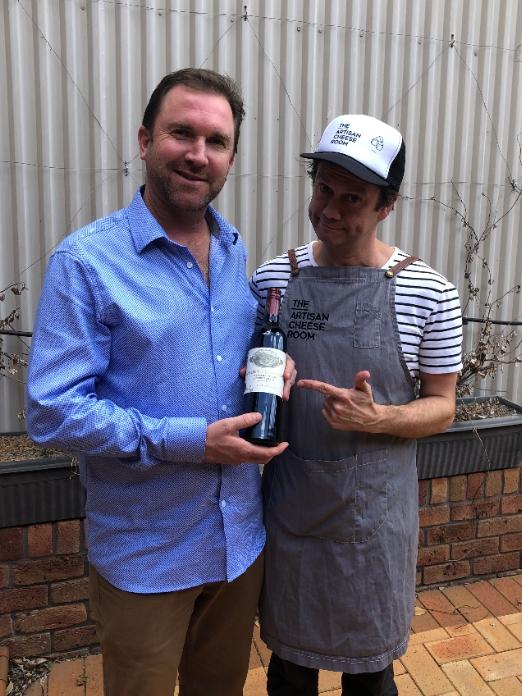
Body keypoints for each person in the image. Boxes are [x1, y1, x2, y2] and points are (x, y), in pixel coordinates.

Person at [26, 68, 295, 696]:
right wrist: (191, 440)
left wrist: (272, 364)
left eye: (216, 141)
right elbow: (52, 410)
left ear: (232, 156)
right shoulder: (87, 261)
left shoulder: (233, 248)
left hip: (237, 546)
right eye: (182, 133)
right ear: (146, 140)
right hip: (147, 558)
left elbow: (235, 353)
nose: (198, 155)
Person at [250, 114, 463, 696]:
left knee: (370, 675)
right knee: (290, 671)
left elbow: (443, 405)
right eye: (323, 190)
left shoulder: (430, 291)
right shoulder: (275, 279)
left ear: (387, 206)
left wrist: (383, 417)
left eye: (353, 199)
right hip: (292, 509)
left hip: (374, 520)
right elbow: (251, 377)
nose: (331, 211)